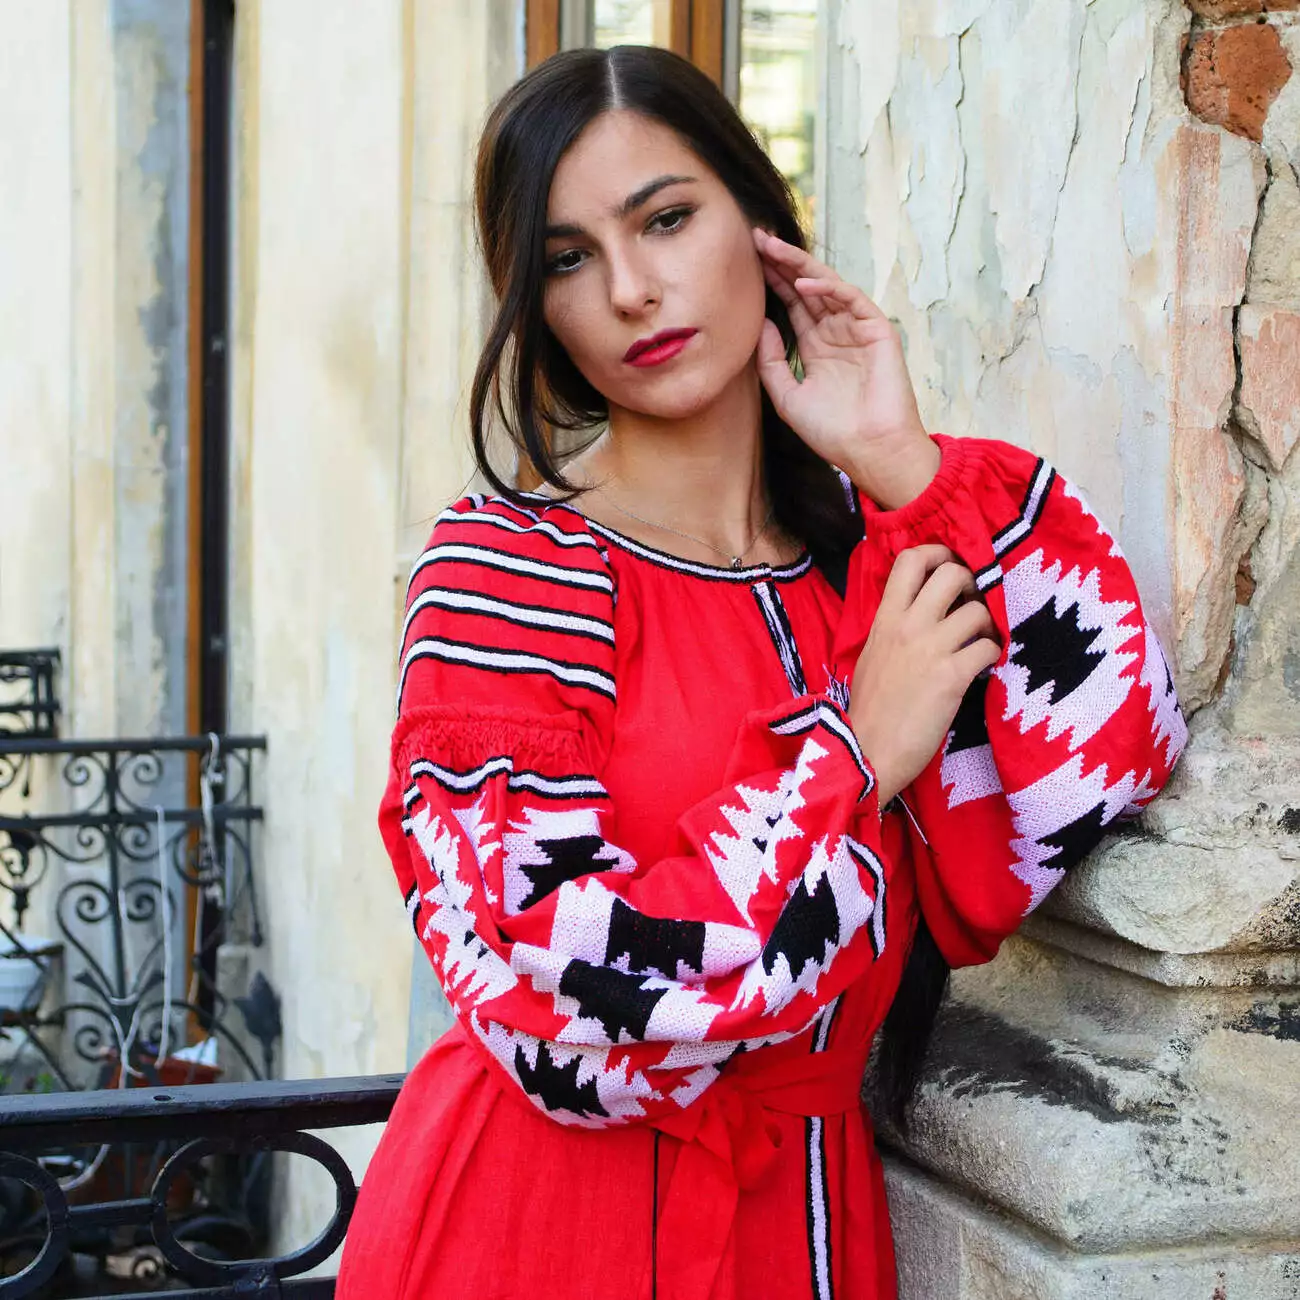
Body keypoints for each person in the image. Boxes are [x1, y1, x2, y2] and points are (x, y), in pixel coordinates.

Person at [336, 44, 1186, 1300]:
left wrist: (897, 457)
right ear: (536, 309)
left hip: (806, 1224)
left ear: (760, 224)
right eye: (567, 259)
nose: (631, 289)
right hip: (541, 1229)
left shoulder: (865, 562)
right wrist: (854, 758)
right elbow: (553, 1000)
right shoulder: (503, 574)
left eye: (665, 220)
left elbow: (1102, 763)